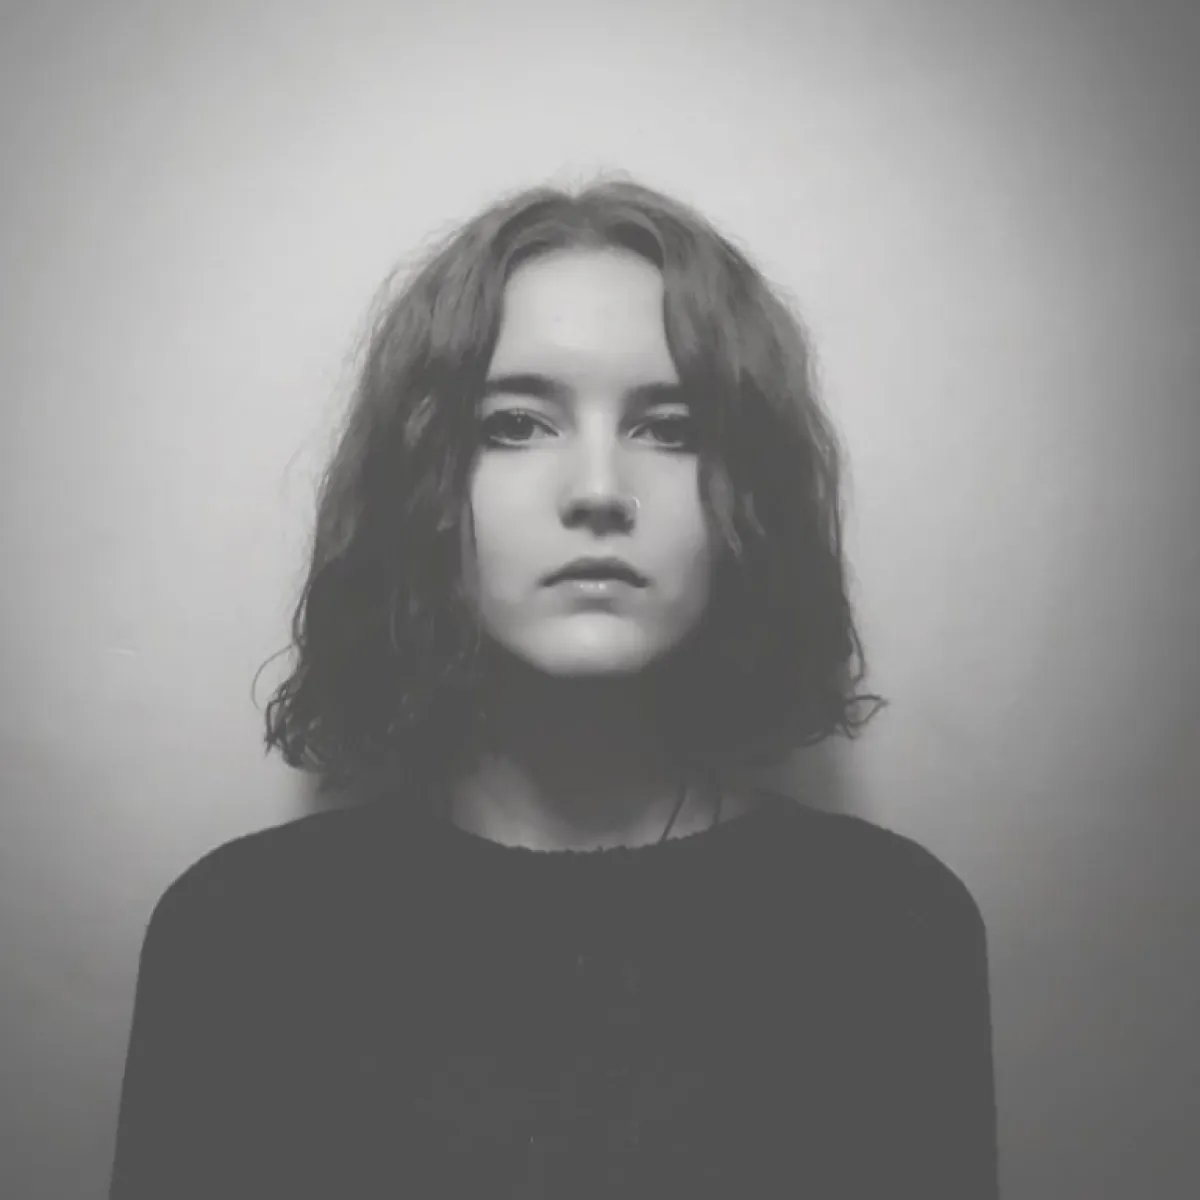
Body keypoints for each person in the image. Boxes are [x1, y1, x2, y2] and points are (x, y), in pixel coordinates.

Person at [107, 177, 1000, 1199]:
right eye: (517, 424)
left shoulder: (889, 931)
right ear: (423, 482)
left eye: (670, 428)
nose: (599, 492)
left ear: (748, 494)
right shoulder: (242, 938)